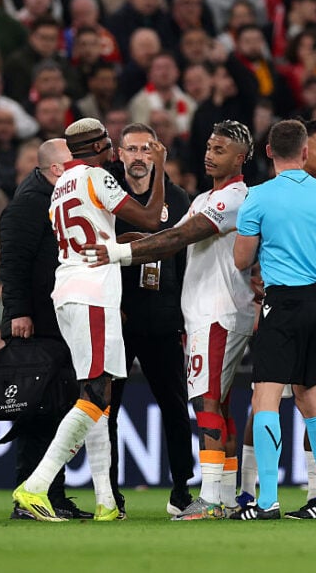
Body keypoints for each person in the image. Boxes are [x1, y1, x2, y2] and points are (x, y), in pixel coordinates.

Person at [87, 121, 256, 521]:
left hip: (216, 312)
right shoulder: (201, 198)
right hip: (202, 314)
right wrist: (134, 245)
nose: (209, 154)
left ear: (240, 158)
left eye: (220, 149)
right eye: (209, 147)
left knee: (205, 403)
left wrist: (118, 253)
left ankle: (211, 499)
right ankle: (226, 497)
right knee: (219, 403)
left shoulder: (231, 197)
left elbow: (176, 240)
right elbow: (167, 236)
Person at [11, 117, 166, 522]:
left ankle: (106, 501)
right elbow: (151, 218)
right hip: (93, 293)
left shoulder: (61, 185)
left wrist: (120, 243)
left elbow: (93, 233)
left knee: (99, 394)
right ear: (98, 146)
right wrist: (161, 168)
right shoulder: (97, 177)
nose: (114, 150)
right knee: (95, 395)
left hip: (70, 289)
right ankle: (35, 486)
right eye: (109, 144)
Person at [231, 119, 316, 520]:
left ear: (268, 153)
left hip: (281, 303)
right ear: (303, 152)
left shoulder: (258, 198)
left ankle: (267, 502)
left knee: (265, 397)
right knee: (312, 399)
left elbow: (242, 259)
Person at [103, 123, 194, 520]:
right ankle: (110, 495)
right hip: (117, 318)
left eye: (146, 148)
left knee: (175, 407)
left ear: (158, 152)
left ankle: (182, 491)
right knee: (108, 411)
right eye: (132, 149)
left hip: (162, 318)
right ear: (119, 155)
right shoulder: (107, 197)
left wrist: (184, 317)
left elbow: (186, 264)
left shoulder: (177, 199)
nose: (139, 156)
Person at [0, 137, 92, 520]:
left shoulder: (54, 201)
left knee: (56, 411)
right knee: (35, 413)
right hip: (33, 325)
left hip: (55, 323)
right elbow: (13, 265)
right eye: (72, 164)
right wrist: (18, 312)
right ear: (56, 169)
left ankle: (53, 495)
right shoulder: (28, 204)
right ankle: (28, 495)